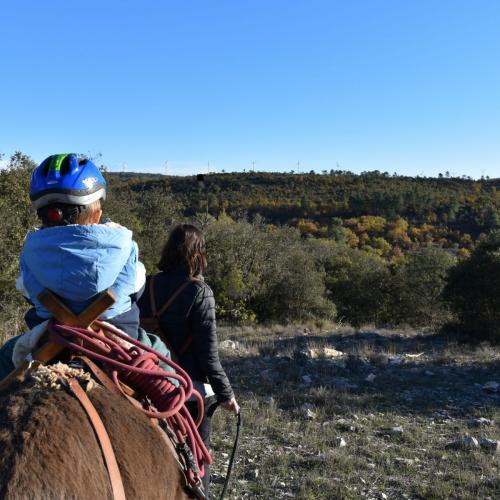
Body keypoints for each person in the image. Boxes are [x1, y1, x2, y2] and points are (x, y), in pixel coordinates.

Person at [0, 153, 168, 378]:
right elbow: (136, 288)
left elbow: (27, 292)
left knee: (4, 358)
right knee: (163, 358)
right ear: (97, 214)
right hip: (115, 338)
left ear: (43, 215)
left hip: (48, 339)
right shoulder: (124, 245)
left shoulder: (29, 251)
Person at [138, 224, 240, 494]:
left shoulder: (145, 285)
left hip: (147, 381)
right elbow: (209, 354)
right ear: (198, 254)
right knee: (198, 459)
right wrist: (226, 394)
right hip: (188, 389)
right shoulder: (200, 293)